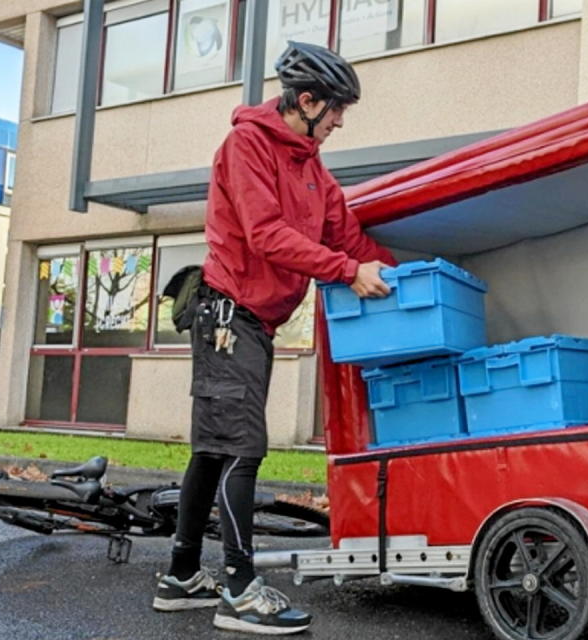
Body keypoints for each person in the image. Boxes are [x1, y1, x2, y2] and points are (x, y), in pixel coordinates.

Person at [152, 41, 396, 634]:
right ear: (307, 100)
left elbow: (349, 238)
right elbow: (265, 236)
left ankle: (182, 576)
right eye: (337, 109)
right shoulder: (247, 146)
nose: (340, 121)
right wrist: (344, 273)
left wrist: (400, 276)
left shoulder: (311, 167)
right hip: (224, 314)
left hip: (253, 321)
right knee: (240, 447)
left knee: (213, 450)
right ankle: (237, 590)